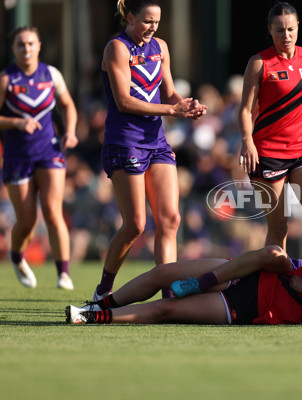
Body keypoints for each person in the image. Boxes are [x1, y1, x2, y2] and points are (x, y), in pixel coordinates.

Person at [93, 0, 206, 301]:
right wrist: (172, 111)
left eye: (156, 22)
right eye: (146, 21)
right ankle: (104, 288)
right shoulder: (116, 48)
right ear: (129, 18)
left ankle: (169, 294)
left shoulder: (161, 47)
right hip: (124, 142)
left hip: (156, 142)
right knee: (135, 225)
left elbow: (168, 91)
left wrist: (186, 105)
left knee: (171, 218)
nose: (152, 28)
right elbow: (124, 102)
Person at [66, 238, 302, 325]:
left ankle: (91, 316)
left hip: (256, 306)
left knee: (166, 309)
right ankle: (102, 302)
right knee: (163, 272)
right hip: (253, 273)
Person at [237, 2, 302, 250]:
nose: (286, 36)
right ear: (270, 30)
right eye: (280, 30)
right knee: (279, 226)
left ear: (298, 28)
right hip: (267, 153)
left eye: (291, 29)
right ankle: (275, 286)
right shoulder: (259, 63)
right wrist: (247, 140)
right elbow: (244, 109)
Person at [0, 26, 78, 290]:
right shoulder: (6, 79)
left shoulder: (51, 74)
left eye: (31, 44)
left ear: (39, 46)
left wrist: (70, 131)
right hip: (17, 157)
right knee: (27, 221)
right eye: (21, 45)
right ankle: (17, 257)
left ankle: (64, 273)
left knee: (53, 211)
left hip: (49, 151)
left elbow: (67, 104)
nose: (26, 49)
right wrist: (16, 123)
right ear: (14, 49)